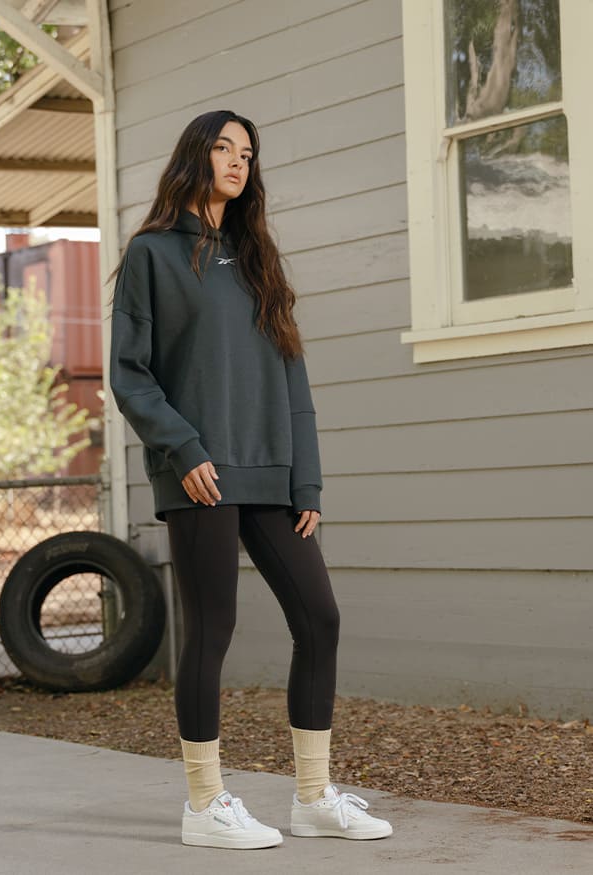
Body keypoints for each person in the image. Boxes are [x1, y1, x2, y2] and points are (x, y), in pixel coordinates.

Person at [109, 109, 393, 850]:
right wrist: (183, 449)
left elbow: (293, 378)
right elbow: (130, 373)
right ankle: (205, 803)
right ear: (194, 157)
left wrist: (309, 480)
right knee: (213, 631)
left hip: (271, 473)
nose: (238, 160)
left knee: (320, 618)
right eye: (224, 147)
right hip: (201, 473)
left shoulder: (257, 255)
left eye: (248, 152)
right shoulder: (153, 255)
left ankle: (312, 797)